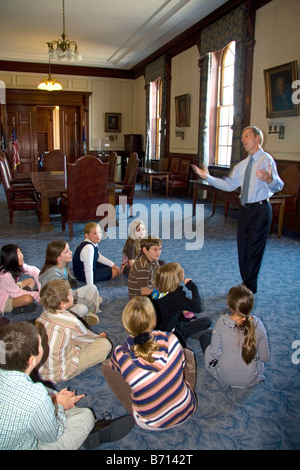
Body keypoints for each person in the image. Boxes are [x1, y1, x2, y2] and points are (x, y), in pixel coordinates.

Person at [0, 321, 135, 450]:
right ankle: (88, 435)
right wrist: (58, 405)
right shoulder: (36, 396)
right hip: (31, 444)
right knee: (86, 416)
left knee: (50, 394)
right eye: (41, 344)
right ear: (32, 359)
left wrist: (54, 401)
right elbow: (51, 436)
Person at [192, 126, 284, 293]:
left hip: (260, 210)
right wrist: (207, 177)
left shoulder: (266, 160)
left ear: (258, 138)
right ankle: (246, 282)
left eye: (247, 136)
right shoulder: (242, 165)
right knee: (243, 248)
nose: (243, 139)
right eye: (242, 137)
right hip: (245, 210)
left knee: (255, 249)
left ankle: (249, 287)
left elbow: (279, 185)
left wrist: (270, 179)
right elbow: (228, 185)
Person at [102, 296, 197, 430]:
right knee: (187, 354)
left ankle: (143, 394)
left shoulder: (121, 354)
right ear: (153, 320)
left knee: (107, 366)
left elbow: (116, 368)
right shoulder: (171, 338)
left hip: (151, 423)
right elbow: (182, 366)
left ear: (126, 324)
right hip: (187, 409)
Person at [36, 280, 112, 384]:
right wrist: (99, 337)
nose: (73, 295)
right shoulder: (71, 321)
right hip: (59, 372)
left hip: (40, 367)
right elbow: (89, 338)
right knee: (105, 344)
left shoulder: (42, 317)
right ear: (62, 304)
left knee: (74, 338)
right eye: (70, 294)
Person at [200, 284, 270, 388]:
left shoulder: (221, 322)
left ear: (229, 305)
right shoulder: (258, 324)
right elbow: (265, 358)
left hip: (223, 376)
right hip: (250, 379)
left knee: (204, 338)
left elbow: (214, 353)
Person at [39, 240, 101, 325]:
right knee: (83, 308)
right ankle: (89, 311)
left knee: (92, 288)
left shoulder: (62, 266)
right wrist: (87, 302)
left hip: (66, 295)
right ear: (58, 258)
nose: (71, 252)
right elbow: (61, 301)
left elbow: (68, 292)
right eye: (67, 251)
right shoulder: (54, 276)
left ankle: (91, 311)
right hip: (57, 309)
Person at [151, 262, 212, 347]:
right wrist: (194, 288)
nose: (183, 270)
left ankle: (195, 330)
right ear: (176, 279)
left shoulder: (156, 292)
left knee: (192, 323)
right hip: (171, 332)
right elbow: (197, 308)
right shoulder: (175, 296)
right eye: (181, 271)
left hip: (159, 328)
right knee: (207, 321)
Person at [0, 244, 40, 316]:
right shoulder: (5, 276)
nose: (21, 256)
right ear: (11, 257)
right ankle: (19, 306)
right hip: (4, 300)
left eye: (21, 252)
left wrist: (41, 289)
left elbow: (35, 271)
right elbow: (16, 293)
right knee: (28, 299)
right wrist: (37, 295)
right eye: (18, 254)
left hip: (10, 289)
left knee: (30, 281)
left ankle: (22, 298)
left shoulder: (15, 266)